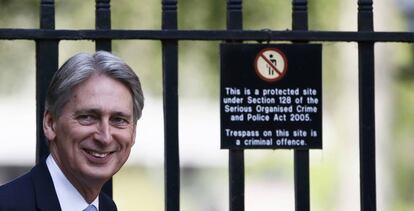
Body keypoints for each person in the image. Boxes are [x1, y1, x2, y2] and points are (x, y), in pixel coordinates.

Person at [0, 51, 144, 211]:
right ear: (50, 123)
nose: (105, 137)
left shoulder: (107, 207)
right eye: (88, 117)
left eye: (118, 120)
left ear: (134, 132)